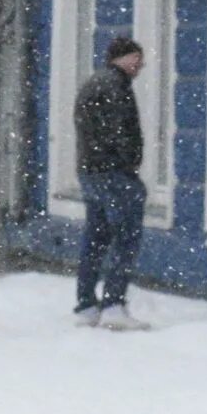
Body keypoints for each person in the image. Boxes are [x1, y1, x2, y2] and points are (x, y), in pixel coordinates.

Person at [73, 34, 151, 329]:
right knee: (125, 237)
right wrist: (129, 164)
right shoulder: (116, 86)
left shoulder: (93, 83)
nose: (140, 65)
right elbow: (121, 131)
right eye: (137, 59)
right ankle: (114, 303)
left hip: (90, 171)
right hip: (114, 173)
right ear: (126, 57)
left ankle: (85, 303)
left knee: (95, 238)